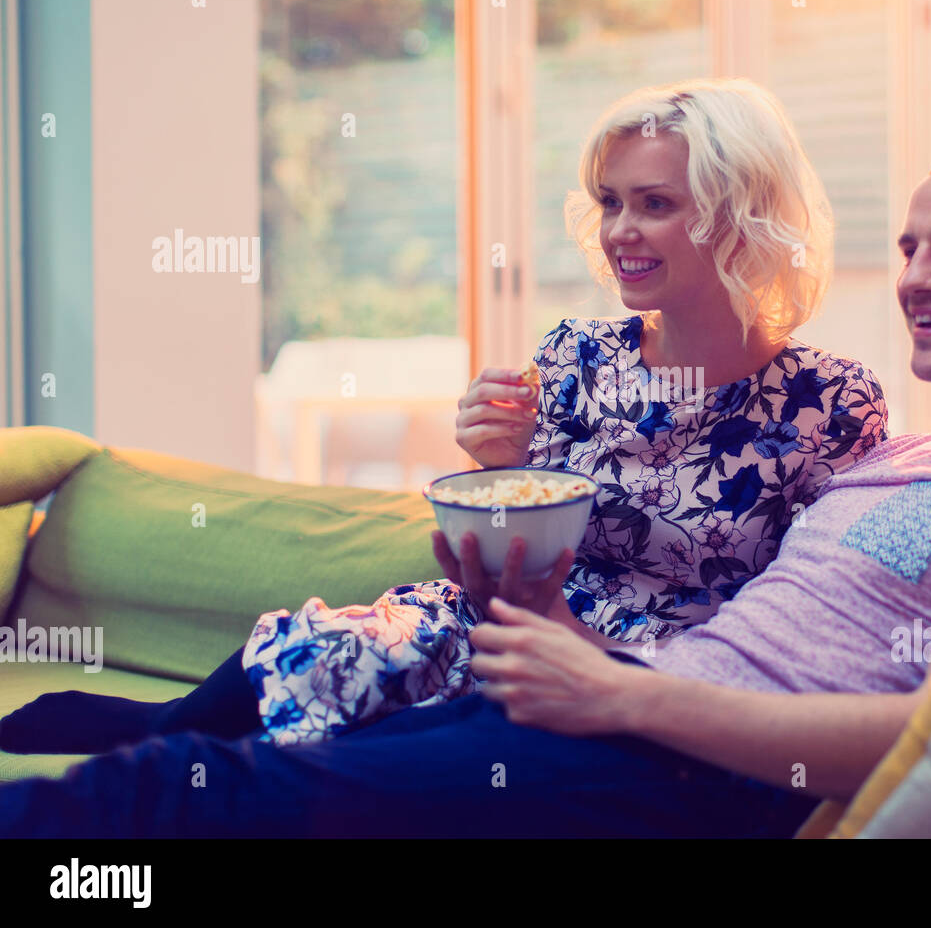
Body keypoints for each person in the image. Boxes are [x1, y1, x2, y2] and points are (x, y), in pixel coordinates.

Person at [0, 132, 931, 838]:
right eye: (906, 248)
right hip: (589, 701)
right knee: (208, 780)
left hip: (690, 771)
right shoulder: (893, 457)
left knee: (174, 800)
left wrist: (627, 698)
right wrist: (548, 620)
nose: (912, 278)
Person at [0, 78, 885, 752]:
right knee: (312, 658)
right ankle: (144, 732)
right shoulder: (579, 354)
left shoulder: (832, 404)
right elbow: (503, 541)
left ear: (738, 217)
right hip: (490, 631)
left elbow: (812, 608)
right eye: (611, 201)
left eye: (655, 203)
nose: (619, 228)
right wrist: (488, 463)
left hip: (641, 687)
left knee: (366, 758)